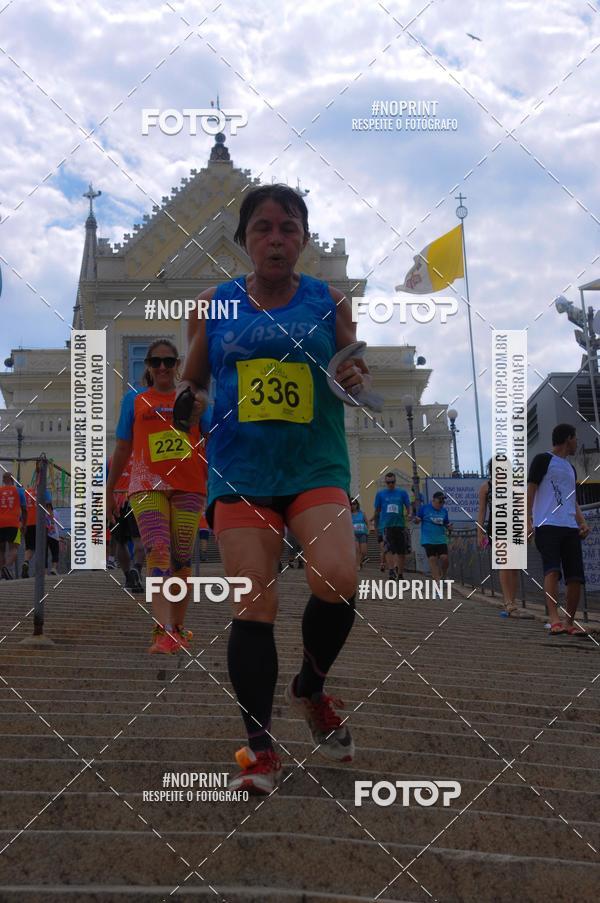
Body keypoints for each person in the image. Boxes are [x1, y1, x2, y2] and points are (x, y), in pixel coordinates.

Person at [179, 183, 368, 794]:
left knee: (338, 577)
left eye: (288, 228)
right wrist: (191, 403)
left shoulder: (329, 301)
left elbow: (352, 368)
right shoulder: (213, 305)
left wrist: (355, 377)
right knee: (252, 602)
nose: (276, 239)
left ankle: (310, 688)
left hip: (314, 464)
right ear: (245, 240)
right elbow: (194, 379)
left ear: (303, 239)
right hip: (241, 470)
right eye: (262, 228)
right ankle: (259, 750)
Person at [106, 339, 209, 653]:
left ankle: (177, 627)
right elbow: (123, 447)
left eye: (168, 361)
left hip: (189, 485)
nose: (162, 367)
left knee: (181, 558)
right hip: (147, 485)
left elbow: (213, 439)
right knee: (158, 551)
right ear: (148, 367)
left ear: (178, 365)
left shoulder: (193, 399)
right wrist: (109, 489)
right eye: (155, 361)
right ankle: (162, 630)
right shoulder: (134, 399)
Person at [527, 423, 589, 635]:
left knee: (575, 576)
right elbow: (531, 491)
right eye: (575, 438)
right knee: (552, 570)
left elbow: (572, 499)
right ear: (568, 439)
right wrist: (527, 521)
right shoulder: (542, 460)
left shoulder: (570, 468)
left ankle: (569, 622)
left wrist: (582, 522)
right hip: (546, 524)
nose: (577, 442)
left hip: (569, 526)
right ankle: (554, 619)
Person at [477, 458, 527, 617]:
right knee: (504, 563)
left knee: (515, 566)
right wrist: (480, 532)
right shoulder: (486, 487)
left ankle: (513, 600)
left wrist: (527, 526)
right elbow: (482, 511)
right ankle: (507, 601)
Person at [106, 454, 144, 593]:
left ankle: (128, 577)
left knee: (120, 542)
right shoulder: (142, 455)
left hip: (117, 502)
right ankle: (137, 568)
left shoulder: (112, 459)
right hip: (136, 500)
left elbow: (105, 483)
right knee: (139, 539)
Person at [373, 473, 411, 579]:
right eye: (388, 482)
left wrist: (409, 514)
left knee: (401, 551)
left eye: (392, 482)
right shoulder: (380, 494)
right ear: (385, 482)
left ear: (395, 481)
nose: (390, 484)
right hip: (386, 525)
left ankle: (400, 573)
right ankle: (391, 570)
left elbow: (408, 506)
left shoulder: (402, 493)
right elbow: (377, 510)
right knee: (388, 549)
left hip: (400, 525)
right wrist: (376, 526)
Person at [21, 460, 53, 579]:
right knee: (42, 547)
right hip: (41, 523)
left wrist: (22, 523)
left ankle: (26, 562)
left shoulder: (27, 493)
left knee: (29, 547)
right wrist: (52, 521)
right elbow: (49, 507)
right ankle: (43, 572)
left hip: (28, 523)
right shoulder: (44, 491)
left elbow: (23, 509)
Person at [414, 491, 452, 579]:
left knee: (444, 558)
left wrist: (449, 527)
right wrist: (416, 520)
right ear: (434, 500)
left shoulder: (444, 511)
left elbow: (446, 523)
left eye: (443, 501)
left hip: (441, 539)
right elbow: (417, 520)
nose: (442, 503)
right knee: (432, 559)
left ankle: (443, 575)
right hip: (428, 539)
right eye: (440, 501)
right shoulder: (425, 508)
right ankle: (437, 581)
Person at [0, 472, 26, 579]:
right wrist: (24, 524)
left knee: (1, 549)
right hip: (14, 523)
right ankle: (6, 567)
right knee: (14, 548)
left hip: (0, 523)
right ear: (12, 479)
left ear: (3, 480)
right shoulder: (19, 491)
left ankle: (2, 573)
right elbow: (24, 509)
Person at [351, 499, 369, 569]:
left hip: (363, 534)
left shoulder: (362, 513)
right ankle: (357, 565)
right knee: (357, 550)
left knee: (364, 551)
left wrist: (368, 530)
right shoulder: (349, 514)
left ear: (357, 504)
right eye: (351, 504)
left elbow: (367, 522)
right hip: (354, 535)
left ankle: (360, 562)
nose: (353, 505)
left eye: (354, 504)